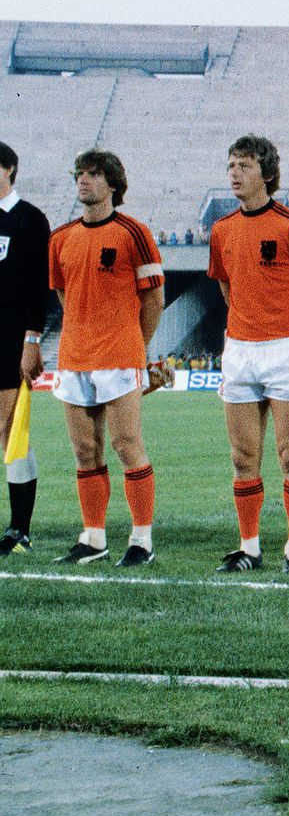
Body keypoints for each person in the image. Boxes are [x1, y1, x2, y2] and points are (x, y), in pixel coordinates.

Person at [209, 135, 289, 572]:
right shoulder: (221, 230)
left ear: (267, 173)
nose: (234, 173)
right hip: (239, 349)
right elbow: (227, 286)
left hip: (285, 348)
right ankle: (249, 547)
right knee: (243, 457)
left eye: (243, 165)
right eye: (230, 165)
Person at [46, 151, 165, 566]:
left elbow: (154, 298)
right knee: (84, 450)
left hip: (119, 354)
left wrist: (137, 345)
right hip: (74, 355)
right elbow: (64, 294)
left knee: (126, 444)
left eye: (93, 174)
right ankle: (94, 537)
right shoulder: (60, 237)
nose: (83, 181)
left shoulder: (134, 232)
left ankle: (142, 540)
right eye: (79, 173)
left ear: (112, 183)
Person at [0, 142, 51, 556]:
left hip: (9, 340)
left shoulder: (30, 220)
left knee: (9, 434)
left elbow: (39, 287)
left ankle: (19, 529)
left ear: (10, 169)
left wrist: (31, 340)